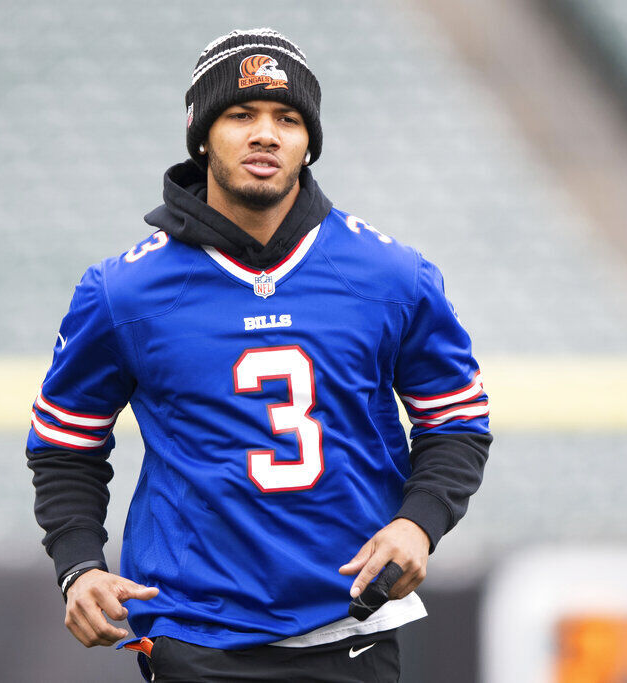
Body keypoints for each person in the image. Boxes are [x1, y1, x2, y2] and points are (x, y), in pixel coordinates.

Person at [27, 27, 492, 682]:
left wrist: (418, 524)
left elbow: (455, 419)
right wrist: (78, 564)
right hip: (197, 632)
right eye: (241, 114)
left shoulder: (390, 275)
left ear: (309, 142)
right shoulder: (123, 291)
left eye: (288, 117)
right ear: (202, 135)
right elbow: (64, 440)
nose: (266, 134)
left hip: (350, 626)